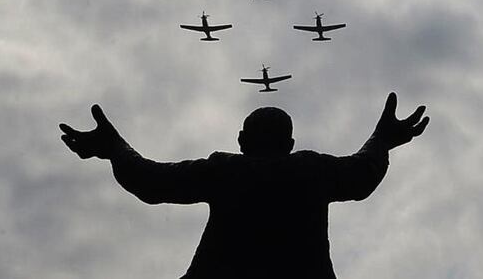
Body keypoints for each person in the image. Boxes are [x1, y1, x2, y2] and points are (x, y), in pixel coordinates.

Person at [59, 92, 430, 279]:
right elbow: (363, 175)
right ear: (289, 144)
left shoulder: (224, 170)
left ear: (241, 140)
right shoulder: (310, 170)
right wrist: (382, 138)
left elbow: (150, 183)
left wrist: (113, 147)